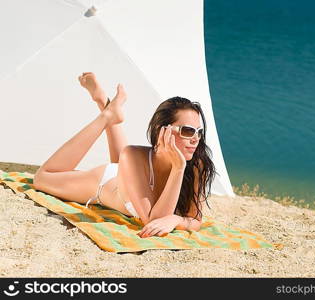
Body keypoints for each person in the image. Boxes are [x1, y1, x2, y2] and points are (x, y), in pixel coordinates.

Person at [33, 72, 216, 238]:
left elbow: (195, 219)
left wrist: (176, 220)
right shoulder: (135, 156)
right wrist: (178, 168)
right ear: (162, 131)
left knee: (128, 161)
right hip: (104, 183)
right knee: (42, 178)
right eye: (187, 130)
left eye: (198, 132)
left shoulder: (197, 165)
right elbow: (154, 220)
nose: (195, 138)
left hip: (132, 179)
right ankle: (106, 116)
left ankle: (106, 104)